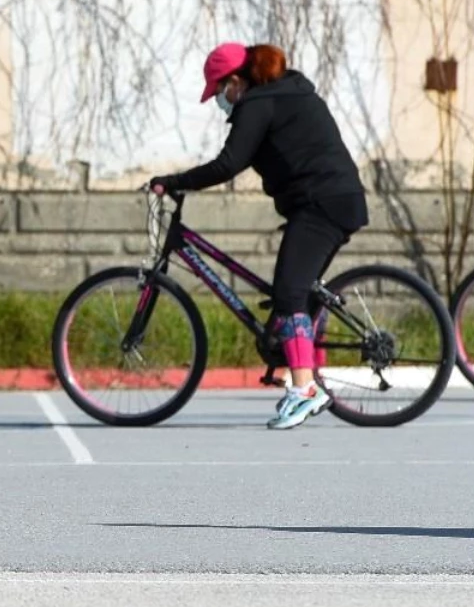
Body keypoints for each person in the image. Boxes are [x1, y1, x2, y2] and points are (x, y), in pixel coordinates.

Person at [149, 42, 369, 430]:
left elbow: (228, 164)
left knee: (288, 295)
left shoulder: (259, 103)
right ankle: (292, 360)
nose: (220, 100)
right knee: (292, 290)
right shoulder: (286, 92)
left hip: (322, 204)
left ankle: (305, 390)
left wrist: (173, 182)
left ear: (236, 81)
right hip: (330, 200)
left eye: (219, 92)